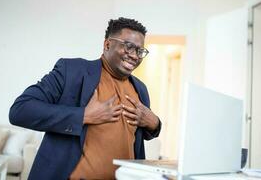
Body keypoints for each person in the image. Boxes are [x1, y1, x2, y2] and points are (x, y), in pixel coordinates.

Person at [9, 17, 161, 180]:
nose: (134, 56)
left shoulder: (141, 89)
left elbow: (140, 135)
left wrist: (155, 124)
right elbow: (20, 110)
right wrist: (84, 116)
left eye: (140, 51)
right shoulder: (72, 71)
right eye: (129, 47)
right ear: (107, 44)